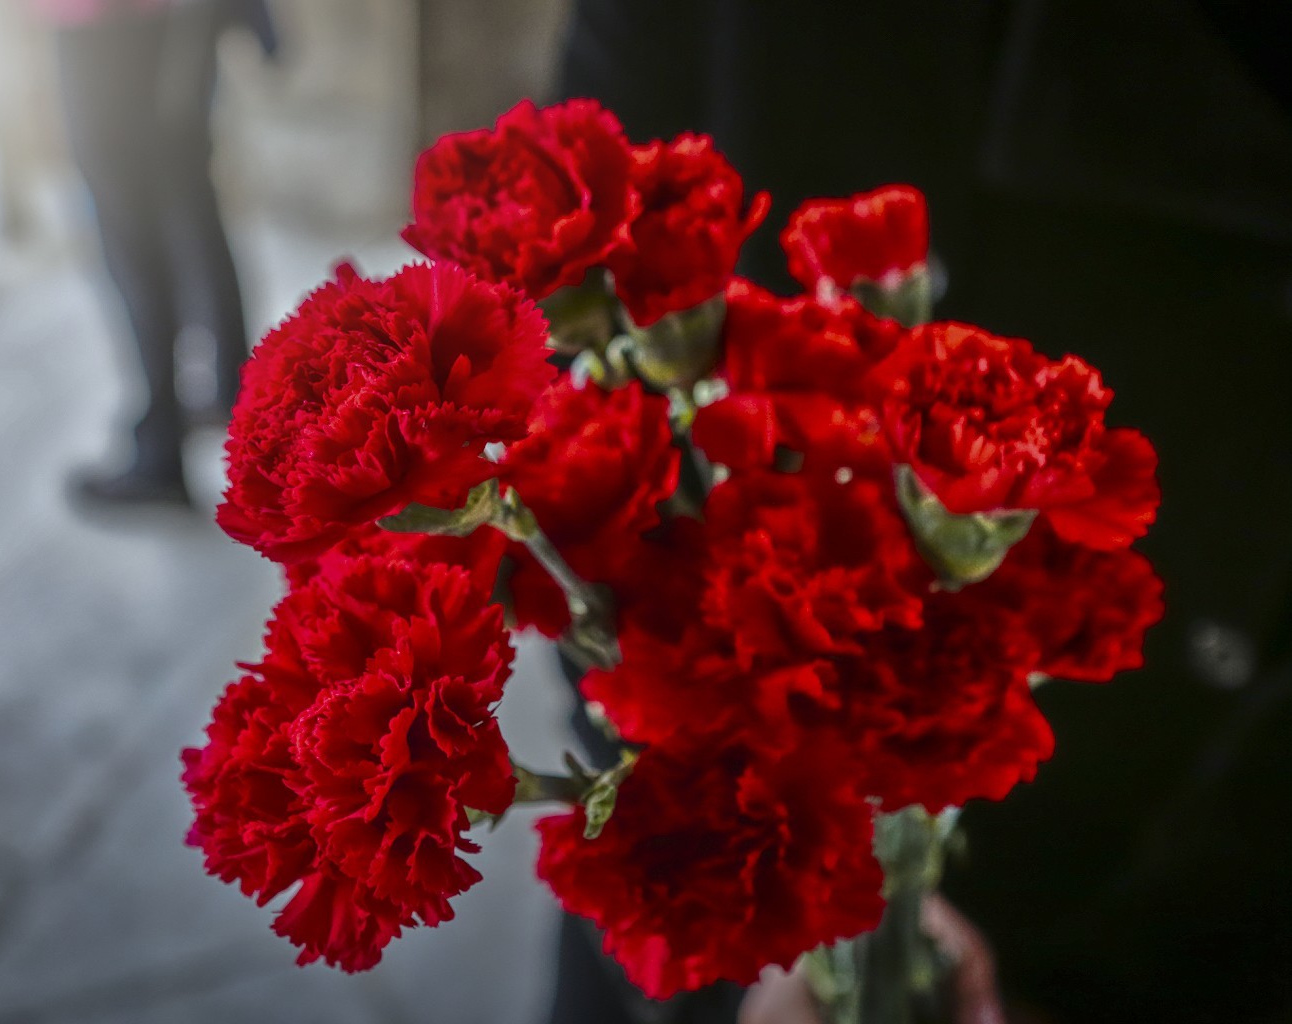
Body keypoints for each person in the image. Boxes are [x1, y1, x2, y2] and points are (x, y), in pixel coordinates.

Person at [552, 1, 1292, 1022]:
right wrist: (742, 929)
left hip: (1147, 886)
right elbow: (572, 427)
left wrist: (1089, 994)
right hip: (719, 871)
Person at [31, 0, 252, 505]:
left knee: (131, 234)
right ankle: (231, 393)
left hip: (105, 22)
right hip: (172, 19)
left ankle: (160, 448)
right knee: (188, 204)